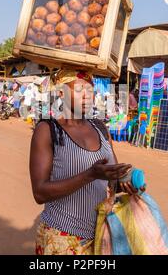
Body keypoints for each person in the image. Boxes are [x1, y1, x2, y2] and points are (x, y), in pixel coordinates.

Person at [30, 70, 144, 255]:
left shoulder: (100, 128)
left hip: (102, 238)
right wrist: (90, 175)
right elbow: (39, 192)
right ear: (61, 92)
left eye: (90, 91)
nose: (87, 96)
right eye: (80, 90)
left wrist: (126, 182)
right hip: (62, 239)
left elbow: (110, 179)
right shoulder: (47, 130)